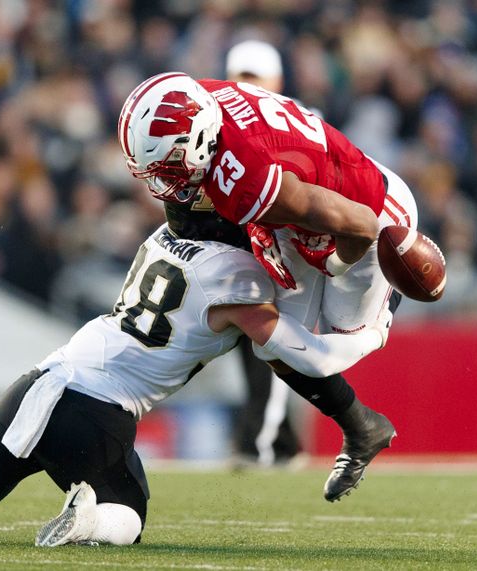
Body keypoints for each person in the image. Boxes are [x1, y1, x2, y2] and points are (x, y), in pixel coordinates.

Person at [0, 201, 391, 545]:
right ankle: (88, 514)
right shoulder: (240, 280)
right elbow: (297, 355)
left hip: (41, 382)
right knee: (129, 515)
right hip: (99, 411)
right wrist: (365, 336)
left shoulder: (159, 243)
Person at [118, 71, 417, 500]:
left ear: (200, 141)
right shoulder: (198, 100)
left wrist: (331, 264)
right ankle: (362, 427)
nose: (162, 183)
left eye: (169, 167)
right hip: (301, 208)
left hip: (367, 217)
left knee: (328, 349)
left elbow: (361, 226)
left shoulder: (246, 179)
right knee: (273, 342)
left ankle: (385, 314)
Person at [225, 39, 302, 467]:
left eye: (254, 77)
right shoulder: (218, 125)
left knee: (269, 347)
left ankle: (257, 442)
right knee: (255, 352)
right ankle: (284, 443)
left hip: (288, 255)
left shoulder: (303, 123)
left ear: (277, 81)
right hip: (241, 251)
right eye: (241, 76)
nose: (247, 86)